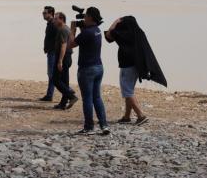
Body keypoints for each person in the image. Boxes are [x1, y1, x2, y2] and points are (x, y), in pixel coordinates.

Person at [105, 16, 153, 125]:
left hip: (127, 66)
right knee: (129, 90)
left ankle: (141, 115)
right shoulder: (139, 33)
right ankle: (126, 116)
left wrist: (115, 21)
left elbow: (108, 35)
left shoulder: (124, 34)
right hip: (136, 66)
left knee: (127, 91)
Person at [69, 7, 110, 135]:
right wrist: (81, 27)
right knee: (97, 97)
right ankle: (104, 125)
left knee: (87, 98)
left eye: (85, 16)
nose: (84, 18)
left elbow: (71, 44)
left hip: (87, 69)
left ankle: (88, 126)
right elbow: (86, 38)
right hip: (99, 67)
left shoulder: (86, 33)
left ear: (91, 17)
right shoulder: (97, 30)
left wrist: (73, 29)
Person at [51, 12, 78, 110]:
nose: (54, 20)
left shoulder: (62, 29)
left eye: (56, 19)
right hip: (68, 56)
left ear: (61, 19)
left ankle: (71, 96)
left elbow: (63, 45)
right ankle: (63, 103)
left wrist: (60, 61)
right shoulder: (67, 28)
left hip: (63, 57)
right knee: (64, 81)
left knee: (55, 79)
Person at [40, 6, 57, 102]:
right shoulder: (50, 23)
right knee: (51, 74)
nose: (43, 14)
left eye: (45, 13)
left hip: (53, 52)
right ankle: (49, 94)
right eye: (43, 13)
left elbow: (60, 38)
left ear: (51, 14)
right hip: (51, 52)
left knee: (52, 74)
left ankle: (68, 92)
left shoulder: (53, 24)